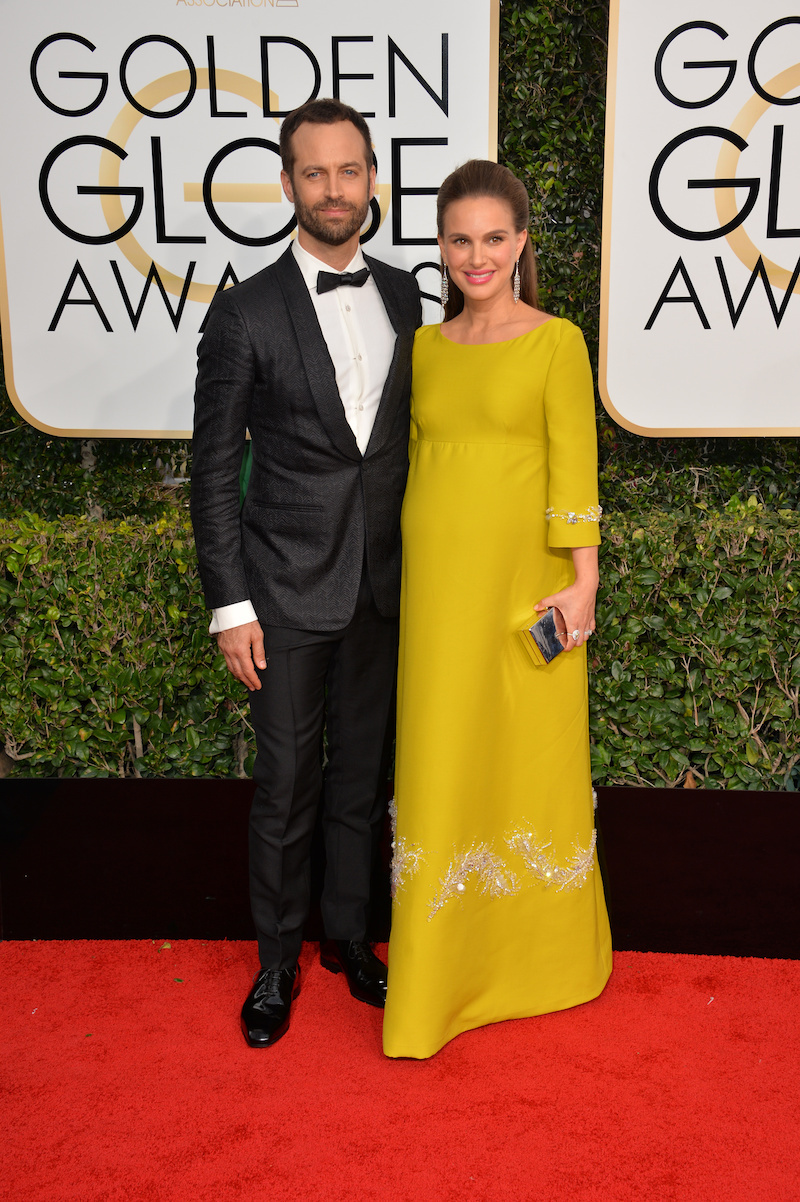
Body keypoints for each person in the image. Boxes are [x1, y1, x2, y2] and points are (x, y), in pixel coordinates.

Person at [190, 99, 421, 1049]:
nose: (335, 190)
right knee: (286, 786)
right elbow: (212, 469)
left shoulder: (411, 296)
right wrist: (229, 604)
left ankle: (351, 942)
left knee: (363, 782)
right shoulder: (244, 311)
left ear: (374, 181)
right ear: (288, 185)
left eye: (350, 171)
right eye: (315, 174)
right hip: (282, 592)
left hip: (386, 589)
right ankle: (277, 963)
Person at [383, 159, 612, 1059]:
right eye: (458, 239)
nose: (476, 256)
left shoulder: (557, 340)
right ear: (441, 249)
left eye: (492, 238)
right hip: (435, 591)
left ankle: (541, 960)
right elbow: (410, 463)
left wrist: (582, 579)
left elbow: (574, 466)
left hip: (527, 589)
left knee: (528, 754)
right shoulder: (427, 349)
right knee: (440, 750)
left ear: (520, 243)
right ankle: (439, 971)